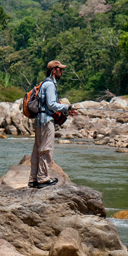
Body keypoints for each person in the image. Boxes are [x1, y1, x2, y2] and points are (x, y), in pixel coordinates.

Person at [28, 60, 74, 189]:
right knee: (46, 149)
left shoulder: (44, 83)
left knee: (37, 150)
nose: (62, 72)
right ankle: (42, 178)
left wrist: (67, 110)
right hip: (46, 121)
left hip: (39, 120)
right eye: (60, 69)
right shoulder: (50, 85)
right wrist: (68, 106)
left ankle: (33, 179)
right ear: (54, 70)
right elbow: (52, 105)